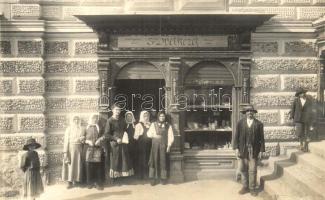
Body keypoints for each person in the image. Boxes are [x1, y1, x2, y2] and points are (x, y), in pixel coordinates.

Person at [233, 105, 265, 196]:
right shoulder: (240, 123)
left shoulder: (259, 124)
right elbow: (236, 137)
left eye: (251, 111)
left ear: (254, 113)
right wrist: (236, 148)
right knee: (243, 169)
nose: (250, 113)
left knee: (253, 169)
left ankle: (252, 188)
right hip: (243, 149)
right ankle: (245, 186)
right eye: (248, 111)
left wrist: (262, 151)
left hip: (254, 150)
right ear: (245, 113)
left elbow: (262, 139)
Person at [104, 104, 134, 182]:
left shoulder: (122, 120)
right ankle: (114, 177)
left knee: (123, 159)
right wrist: (116, 139)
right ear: (112, 110)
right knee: (115, 160)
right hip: (114, 144)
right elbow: (106, 134)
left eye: (119, 110)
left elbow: (125, 130)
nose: (118, 111)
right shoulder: (109, 120)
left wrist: (126, 136)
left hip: (123, 142)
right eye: (116, 110)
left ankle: (122, 177)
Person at [147, 111, 174, 186]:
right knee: (153, 161)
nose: (162, 118)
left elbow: (170, 136)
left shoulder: (168, 125)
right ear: (158, 117)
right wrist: (154, 136)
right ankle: (153, 178)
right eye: (160, 116)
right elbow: (148, 134)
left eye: (163, 116)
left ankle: (163, 178)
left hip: (163, 146)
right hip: (155, 145)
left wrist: (169, 146)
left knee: (163, 161)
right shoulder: (153, 124)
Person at [62, 115, 86, 189]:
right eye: (74, 119)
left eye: (77, 119)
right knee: (71, 165)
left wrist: (82, 139)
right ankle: (70, 182)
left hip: (79, 149)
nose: (76, 121)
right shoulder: (68, 129)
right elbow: (66, 141)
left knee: (78, 164)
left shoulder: (82, 129)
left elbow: (84, 140)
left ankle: (78, 180)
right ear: (72, 121)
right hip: (71, 149)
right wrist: (65, 152)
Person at [289, 88, 316, 152]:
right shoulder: (296, 100)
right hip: (298, 119)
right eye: (301, 93)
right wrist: (291, 117)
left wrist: (311, 118)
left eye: (303, 93)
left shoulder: (308, 100)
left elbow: (311, 110)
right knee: (299, 132)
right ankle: (301, 144)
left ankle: (305, 146)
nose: (303, 94)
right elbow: (293, 109)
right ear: (298, 95)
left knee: (306, 132)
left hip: (306, 118)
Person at [84, 114, 105, 190]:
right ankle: (89, 183)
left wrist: (99, 140)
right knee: (89, 166)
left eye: (96, 118)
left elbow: (103, 136)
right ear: (90, 119)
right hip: (88, 148)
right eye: (93, 118)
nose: (95, 120)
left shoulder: (99, 127)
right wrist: (88, 141)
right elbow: (83, 137)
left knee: (98, 166)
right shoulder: (86, 127)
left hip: (97, 148)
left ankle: (98, 183)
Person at [134, 111, 152, 179]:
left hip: (149, 144)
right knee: (142, 159)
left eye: (147, 116)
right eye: (144, 116)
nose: (146, 117)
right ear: (142, 116)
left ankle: (147, 174)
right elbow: (135, 137)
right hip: (141, 145)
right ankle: (141, 175)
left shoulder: (150, 124)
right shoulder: (138, 125)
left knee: (148, 158)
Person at [125, 111, 137, 176]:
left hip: (134, 143)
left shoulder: (135, 124)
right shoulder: (124, 125)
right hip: (126, 144)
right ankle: (129, 173)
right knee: (127, 158)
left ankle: (135, 173)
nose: (129, 118)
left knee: (134, 158)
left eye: (130, 116)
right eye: (128, 117)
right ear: (126, 117)